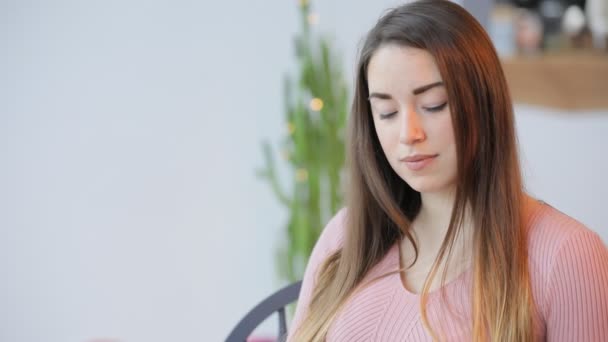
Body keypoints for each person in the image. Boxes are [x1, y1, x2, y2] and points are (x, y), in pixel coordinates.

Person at [286, 0, 608, 341]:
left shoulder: (568, 255)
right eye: (386, 111)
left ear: (484, 103)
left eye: (433, 105)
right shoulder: (346, 235)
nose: (409, 133)